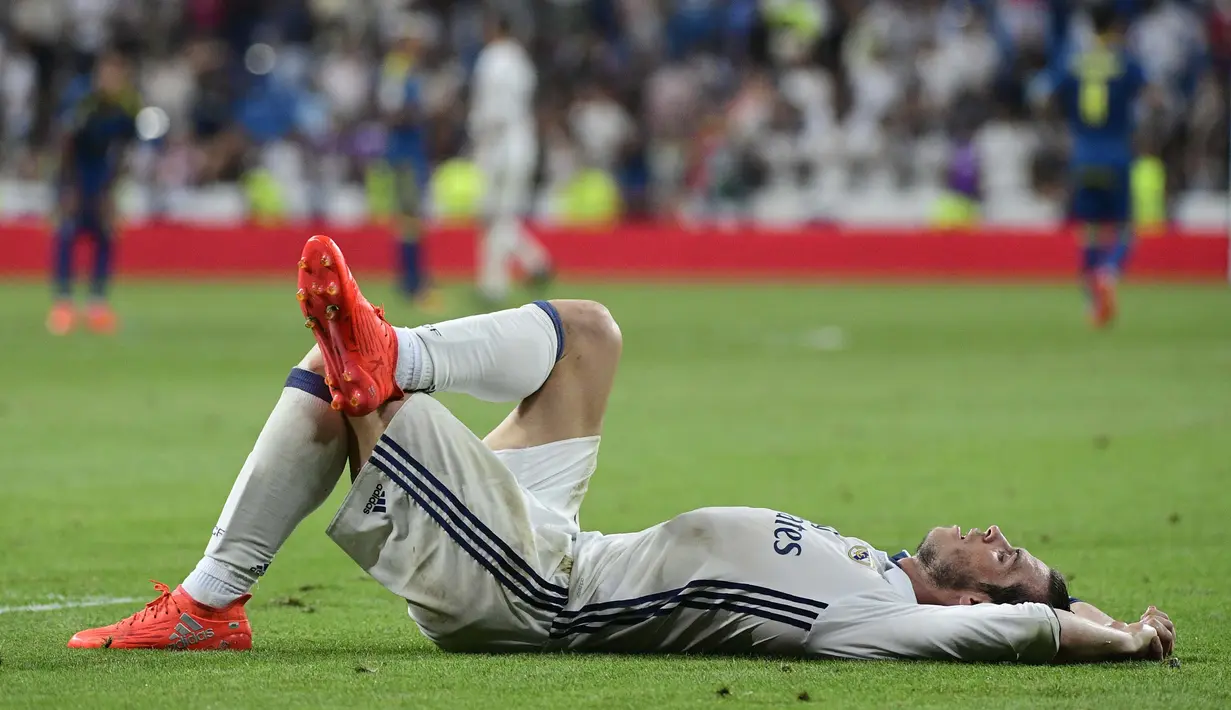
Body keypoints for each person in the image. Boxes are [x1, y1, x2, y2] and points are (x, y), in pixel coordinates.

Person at [68, 235, 1176, 662]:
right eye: (1008, 546)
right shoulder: (868, 566)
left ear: (968, 606)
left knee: (349, 392)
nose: (995, 541)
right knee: (589, 334)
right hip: (566, 538)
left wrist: (1112, 635)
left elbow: (1024, 626)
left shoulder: (878, 621)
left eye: (1007, 556)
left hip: (532, 589)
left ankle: (216, 596)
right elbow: (1014, 600)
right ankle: (391, 341)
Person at [1034, 1, 1154, 327]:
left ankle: (1092, 304)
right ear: (1115, 26)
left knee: (1089, 232)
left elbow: (1042, 94)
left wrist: (1064, 125)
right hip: (1117, 154)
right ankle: (1110, 271)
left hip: (1083, 156)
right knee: (1126, 229)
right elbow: (1154, 96)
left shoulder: (1073, 59)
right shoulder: (1125, 61)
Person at [47, 51, 140, 336]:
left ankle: (97, 304)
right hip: (77, 174)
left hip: (103, 177)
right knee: (67, 234)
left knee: (105, 236)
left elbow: (125, 148)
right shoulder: (82, 104)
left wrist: (111, 190)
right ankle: (62, 304)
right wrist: (69, 189)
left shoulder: (126, 107)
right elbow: (65, 145)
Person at [468, 15, 553, 305]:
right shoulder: (522, 61)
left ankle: (494, 285)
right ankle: (534, 262)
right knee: (503, 215)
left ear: (493, 28)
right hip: (522, 142)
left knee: (493, 217)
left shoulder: (490, 58)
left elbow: (490, 110)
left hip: (497, 143)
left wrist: (477, 137)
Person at [378, 18, 441, 313]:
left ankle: (414, 281)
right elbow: (392, 112)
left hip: (410, 153)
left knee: (412, 219)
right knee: (410, 219)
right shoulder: (397, 70)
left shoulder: (405, 70)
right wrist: (420, 114)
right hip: (404, 154)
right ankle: (414, 284)